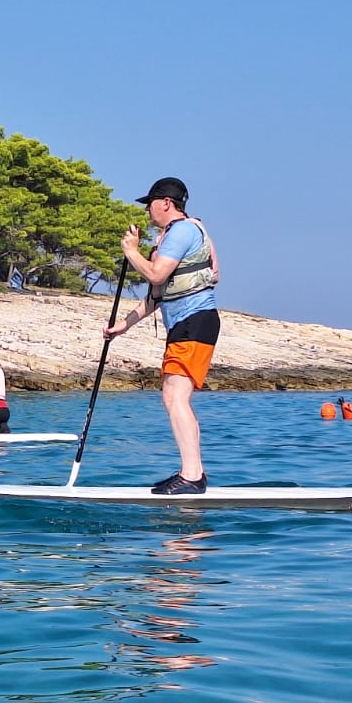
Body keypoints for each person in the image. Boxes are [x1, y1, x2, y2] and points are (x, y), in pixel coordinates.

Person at [104, 176, 221, 494]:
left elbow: (156, 275)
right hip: (187, 323)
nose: (147, 210)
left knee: (174, 396)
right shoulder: (175, 234)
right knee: (174, 396)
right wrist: (124, 325)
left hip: (195, 321)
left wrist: (131, 252)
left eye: (150, 203)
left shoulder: (183, 231)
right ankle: (193, 472)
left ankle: (192, 475)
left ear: (166, 203)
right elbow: (156, 297)